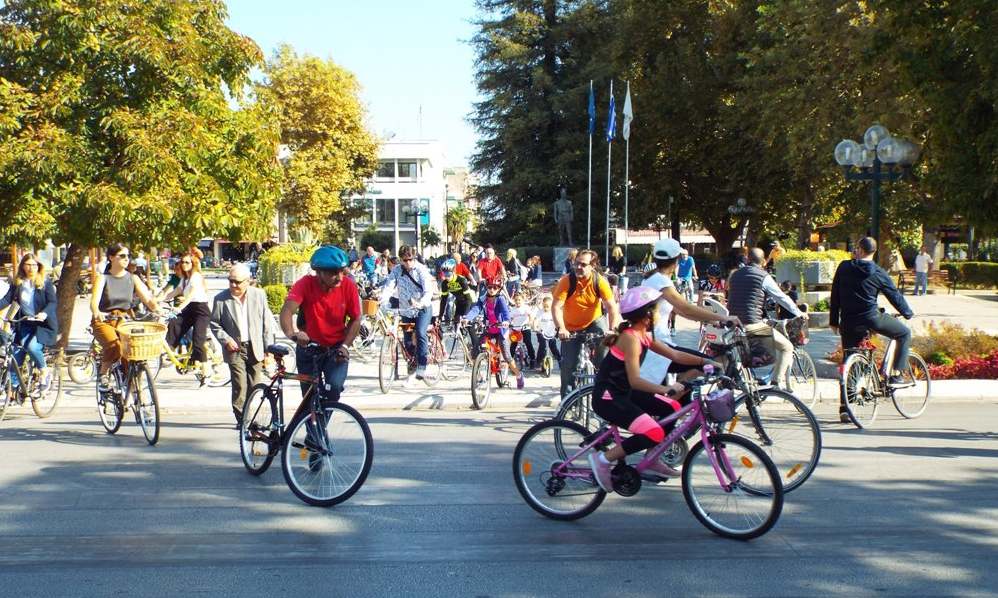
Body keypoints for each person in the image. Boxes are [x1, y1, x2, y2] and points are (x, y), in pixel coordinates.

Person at [587, 286, 722, 492]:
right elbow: (635, 381)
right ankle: (603, 459)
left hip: (623, 393)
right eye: (657, 310)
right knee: (654, 431)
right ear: (647, 315)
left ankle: (652, 458)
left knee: (672, 407)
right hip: (608, 397)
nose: (661, 314)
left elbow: (675, 355)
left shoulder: (643, 335)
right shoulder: (630, 339)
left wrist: (706, 362)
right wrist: (664, 389)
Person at [830, 236, 914, 422]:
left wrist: (833, 321)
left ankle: (845, 407)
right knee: (904, 333)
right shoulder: (877, 271)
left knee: (848, 359)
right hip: (871, 319)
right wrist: (907, 313)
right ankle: (898, 375)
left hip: (848, 322)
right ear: (874, 252)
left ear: (859, 249)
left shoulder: (844, 267)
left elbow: (835, 294)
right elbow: (894, 295)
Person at [639, 238, 738, 386]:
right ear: (676, 261)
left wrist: (712, 321)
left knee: (700, 366)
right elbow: (686, 307)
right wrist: (724, 317)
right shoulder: (662, 282)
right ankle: (673, 395)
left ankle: (675, 395)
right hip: (658, 344)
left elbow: (679, 310)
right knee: (709, 365)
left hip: (656, 343)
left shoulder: (654, 279)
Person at [279, 245, 360, 399]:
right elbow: (287, 310)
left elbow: (356, 318)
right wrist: (292, 334)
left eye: (342, 271)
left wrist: (345, 346)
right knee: (309, 397)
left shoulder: (348, 286)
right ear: (318, 272)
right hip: (309, 347)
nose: (340, 277)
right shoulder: (305, 284)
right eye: (333, 273)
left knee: (333, 388)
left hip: (336, 348)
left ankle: (320, 421)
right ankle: (313, 422)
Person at [727, 248, 805, 388]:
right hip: (752, 324)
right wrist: (799, 312)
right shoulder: (763, 276)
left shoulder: (734, 275)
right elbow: (781, 297)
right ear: (763, 262)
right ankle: (775, 385)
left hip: (732, 324)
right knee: (787, 347)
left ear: (747, 259)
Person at [210, 263, 276, 426]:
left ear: (247, 281)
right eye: (230, 280)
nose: (233, 285)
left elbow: (265, 322)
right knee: (239, 386)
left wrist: (269, 348)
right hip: (235, 350)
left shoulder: (259, 295)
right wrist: (226, 341)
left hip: (255, 348)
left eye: (237, 282)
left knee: (254, 386)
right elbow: (215, 324)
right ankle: (242, 421)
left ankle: (251, 415)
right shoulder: (221, 299)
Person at [551, 249, 621, 398]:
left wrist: (612, 329)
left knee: (605, 339)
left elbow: (611, 307)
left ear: (593, 266)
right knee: (569, 365)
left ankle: (600, 373)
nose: (578, 267)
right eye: (577, 263)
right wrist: (561, 328)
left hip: (594, 321)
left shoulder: (599, 281)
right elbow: (556, 307)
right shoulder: (567, 281)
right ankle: (567, 403)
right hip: (570, 326)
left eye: (583, 264)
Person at [90, 244, 160, 388]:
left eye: (128, 256)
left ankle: (135, 397)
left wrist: (159, 310)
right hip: (105, 320)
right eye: (122, 256)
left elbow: (148, 300)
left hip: (125, 321)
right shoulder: (103, 278)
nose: (126, 259)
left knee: (132, 355)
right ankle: (103, 374)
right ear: (111, 258)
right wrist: (97, 312)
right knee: (114, 345)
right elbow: (94, 303)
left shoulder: (133, 278)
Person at [0, 253, 59, 392]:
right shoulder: (19, 282)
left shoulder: (45, 281)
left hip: (42, 324)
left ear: (38, 266)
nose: (31, 268)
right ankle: (14, 389)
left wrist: (44, 313)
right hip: (25, 323)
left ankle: (45, 372)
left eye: (34, 265)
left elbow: (52, 302)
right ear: (23, 266)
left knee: (32, 347)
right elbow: (8, 299)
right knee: (16, 353)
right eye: (28, 265)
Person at [381, 244, 437, 385]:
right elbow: (389, 286)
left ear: (414, 257)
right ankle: (412, 367)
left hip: (423, 308)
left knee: (420, 332)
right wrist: (383, 300)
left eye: (410, 259)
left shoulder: (421, 270)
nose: (408, 263)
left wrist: (421, 303)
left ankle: (422, 365)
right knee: (407, 341)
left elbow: (428, 291)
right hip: (406, 310)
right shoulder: (397, 270)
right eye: (404, 260)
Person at [462, 277, 525, 389]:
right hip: (489, 329)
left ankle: (518, 375)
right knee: (475, 351)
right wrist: (467, 318)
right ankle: (479, 375)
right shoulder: (483, 299)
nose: (492, 289)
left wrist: (506, 321)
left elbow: (505, 312)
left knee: (506, 355)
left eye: (495, 287)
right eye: (490, 287)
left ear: (499, 288)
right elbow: (476, 309)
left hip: (501, 329)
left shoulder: (500, 299)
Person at [163, 251, 214, 386]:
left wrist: (179, 307)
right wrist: (158, 300)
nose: (184, 265)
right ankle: (172, 351)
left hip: (201, 310)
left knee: (198, 340)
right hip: (190, 309)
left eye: (187, 262)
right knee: (174, 322)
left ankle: (206, 372)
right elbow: (175, 292)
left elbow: (191, 295)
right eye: (182, 262)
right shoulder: (184, 278)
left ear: (193, 264)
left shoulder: (195, 277)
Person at [438, 258, 474, 326]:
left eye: (448, 274)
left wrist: (465, 316)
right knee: (456, 324)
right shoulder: (445, 283)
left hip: (470, 301)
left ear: (453, 271)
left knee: (467, 325)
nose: (446, 277)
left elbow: (468, 299)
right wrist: (440, 316)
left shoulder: (461, 280)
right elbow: (443, 300)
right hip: (459, 302)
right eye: (444, 274)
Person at [509, 290, 536, 369]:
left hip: (525, 328)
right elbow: (510, 318)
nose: (518, 302)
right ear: (514, 301)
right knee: (513, 345)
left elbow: (531, 316)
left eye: (519, 300)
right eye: (516, 300)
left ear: (522, 300)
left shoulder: (525, 307)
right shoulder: (512, 309)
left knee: (528, 343)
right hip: (516, 329)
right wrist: (509, 324)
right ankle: (510, 361)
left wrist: (530, 322)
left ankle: (532, 360)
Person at [533, 294, 562, 368]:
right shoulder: (540, 312)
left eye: (548, 307)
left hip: (551, 332)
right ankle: (538, 361)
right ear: (542, 305)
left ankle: (560, 360)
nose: (546, 308)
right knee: (543, 346)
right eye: (544, 306)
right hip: (541, 333)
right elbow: (536, 320)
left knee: (553, 347)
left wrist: (559, 329)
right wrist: (535, 327)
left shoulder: (553, 312)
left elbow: (557, 322)